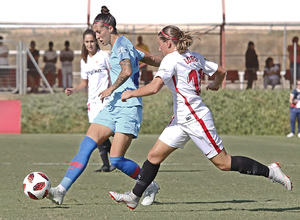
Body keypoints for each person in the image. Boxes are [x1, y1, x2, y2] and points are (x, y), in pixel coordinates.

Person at [108, 25, 293, 211]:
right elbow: (221, 70)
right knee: (154, 156)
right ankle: (133, 197)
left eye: (160, 44)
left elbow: (154, 88)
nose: (158, 49)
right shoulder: (194, 56)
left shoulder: (170, 59)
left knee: (224, 163)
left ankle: (271, 171)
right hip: (181, 120)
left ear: (169, 43)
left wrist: (131, 93)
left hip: (196, 119)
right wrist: (216, 84)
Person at [47, 6, 161, 206]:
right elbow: (150, 59)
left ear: (109, 28)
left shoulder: (122, 44)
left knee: (116, 160)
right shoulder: (123, 45)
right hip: (113, 106)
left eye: (99, 32)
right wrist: (169, 64)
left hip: (128, 106)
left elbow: (126, 71)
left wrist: (110, 88)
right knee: (86, 146)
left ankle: (149, 185)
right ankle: (60, 190)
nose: (97, 36)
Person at [65, 29, 115, 173]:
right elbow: (84, 83)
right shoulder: (84, 61)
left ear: (96, 41)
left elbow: (114, 75)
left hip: (105, 100)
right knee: (98, 135)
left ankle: (118, 159)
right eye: (87, 42)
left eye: (92, 41)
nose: (89, 44)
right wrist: (73, 90)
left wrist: (111, 90)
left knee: (110, 131)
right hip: (92, 103)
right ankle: (106, 164)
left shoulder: (104, 56)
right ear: (83, 43)